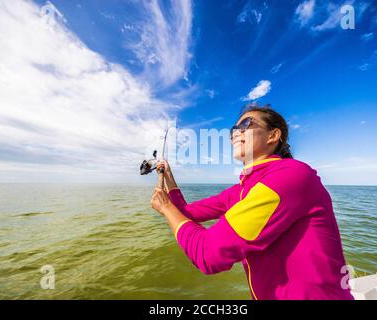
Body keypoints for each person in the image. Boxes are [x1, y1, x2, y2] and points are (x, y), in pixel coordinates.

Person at [150, 103, 354, 300]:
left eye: (246, 125)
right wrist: (168, 176)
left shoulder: (291, 175)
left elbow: (208, 254)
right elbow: (185, 212)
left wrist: (166, 208)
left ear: (273, 136)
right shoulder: (241, 190)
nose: (236, 133)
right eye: (233, 130)